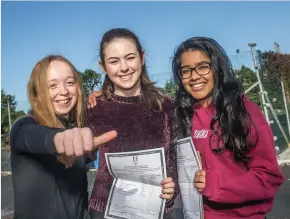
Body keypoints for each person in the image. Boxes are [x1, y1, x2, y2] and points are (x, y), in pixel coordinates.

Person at [171, 37, 285, 219]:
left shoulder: (244, 112)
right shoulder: (179, 116)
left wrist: (218, 185)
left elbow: (268, 178)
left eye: (202, 66)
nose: (194, 76)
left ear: (217, 68)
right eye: (186, 70)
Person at [86, 28, 179, 219]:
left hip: (158, 209)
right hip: (105, 211)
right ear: (103, 67)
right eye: (114, 61)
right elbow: (80, 157)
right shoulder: (95, 107)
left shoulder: (167, 106)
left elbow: (175, 162)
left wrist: (172, 188)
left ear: (142, 58)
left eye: (130, 57)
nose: (124, 67)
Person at [10, 55, 117, 219]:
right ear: (37, 92)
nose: (64, 91)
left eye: (70, 82)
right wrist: (59, 139)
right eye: (52, 85)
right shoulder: (23, 127)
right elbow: (36, 138)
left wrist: (100, 108)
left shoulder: (75, 131)